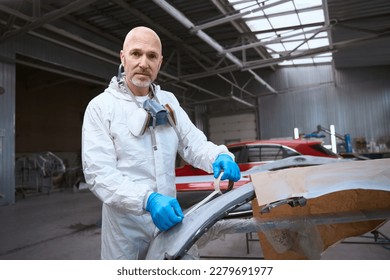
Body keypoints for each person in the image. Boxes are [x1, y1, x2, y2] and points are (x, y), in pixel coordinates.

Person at [81, 26, 240, 260]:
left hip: (170, 223)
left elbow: (192, 143)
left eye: (152, 56)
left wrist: (219, 156)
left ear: (160, 62)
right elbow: (99, 173)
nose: (144, 62)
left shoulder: (169, 102)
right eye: (136, 54)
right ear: (123, 57)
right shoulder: (102, 107)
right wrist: (147, 200)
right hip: (125, 232)